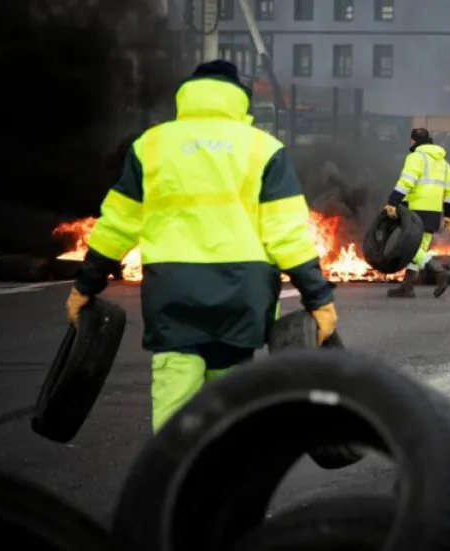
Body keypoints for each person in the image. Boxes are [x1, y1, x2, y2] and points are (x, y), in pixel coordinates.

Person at [64, 60, 337, 432]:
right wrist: (318, 298)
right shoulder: (264, 149)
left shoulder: (151, 146)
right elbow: (287, 232)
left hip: (174, 292)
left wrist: (85, 286)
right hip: (242, 292)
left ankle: (171, 477)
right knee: (230, 403)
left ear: (188, 94)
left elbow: (118, 224)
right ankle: (226, 482)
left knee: (174, 393)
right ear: (239, 97)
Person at [383, 128, 450, 298]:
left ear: (413, 141)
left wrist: (392, 202)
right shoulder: (443, 163)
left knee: (409, 247)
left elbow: (406, 182)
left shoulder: (416, 157)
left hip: (415, 209)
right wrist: (449, 215)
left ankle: (438, 270)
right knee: (419, 247)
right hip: (433, 211)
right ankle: (407, 286)